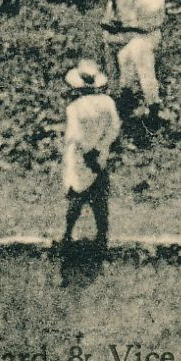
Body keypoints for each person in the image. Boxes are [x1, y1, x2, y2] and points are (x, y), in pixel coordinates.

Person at [60, 59, 120, 280]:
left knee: (76, 197)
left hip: (80, 159)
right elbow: (114, 129)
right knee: (100, 198)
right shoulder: (108, 103)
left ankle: (67, 235)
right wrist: (99, 150)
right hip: (100, 158)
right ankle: (102, 236)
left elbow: (74, 136)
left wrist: (87, 153)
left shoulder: (74, 108)